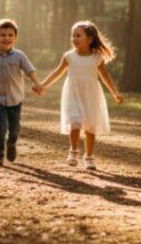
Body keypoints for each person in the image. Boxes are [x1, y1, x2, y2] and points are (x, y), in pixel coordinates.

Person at [38, 21, 123, 170]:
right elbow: (57, 73)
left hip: (91, 94)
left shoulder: (97, 58)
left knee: (90, 127)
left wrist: (115, 93)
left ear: (89, 39)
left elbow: (105, 76)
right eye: (73, 36)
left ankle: (89, 157)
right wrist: (43, 85)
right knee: (75, 122)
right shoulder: (69, 56)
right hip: (73, 93)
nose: (74, 39)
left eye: (78, 36)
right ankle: (73, 151)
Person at [0, 19, 44, 166]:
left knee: (14, 128)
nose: (6, 38)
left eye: (10, 35)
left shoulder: (19, 56)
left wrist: (37, 84)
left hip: (16, 98)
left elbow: (29, 70)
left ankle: (11, 143)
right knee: (1, 126)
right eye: (3, 35)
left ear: (15, 38)